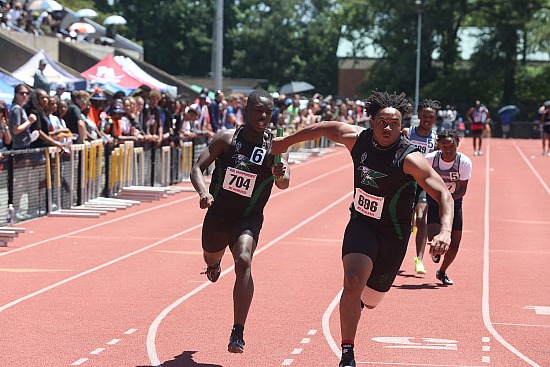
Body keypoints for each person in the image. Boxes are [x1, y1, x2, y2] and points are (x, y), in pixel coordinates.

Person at [271, 91, 453, 367]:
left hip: (394, 235)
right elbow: (327, 128)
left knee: (371, 300)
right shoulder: (359, 140)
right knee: (354, 279)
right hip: (362, 224)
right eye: (382, 122)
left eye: (394, 123)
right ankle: (347, 352)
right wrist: (285, 142)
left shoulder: (410, 158)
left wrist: (445, 231)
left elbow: (444, 194)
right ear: (372, 122)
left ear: (402, 126)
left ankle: (359, 304)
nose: (388, 127)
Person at [190, 88, 290, 354]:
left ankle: (238, 331)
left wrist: (280, 173)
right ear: (246, 111)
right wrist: (203, 192)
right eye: (258, 110)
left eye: (268, 112)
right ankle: (214, 265)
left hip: (248, 217)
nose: (264, 115)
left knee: (244, 260)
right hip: (218, 213)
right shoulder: (226, 139)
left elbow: (285, 182)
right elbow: (197, 169)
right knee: (211, 258)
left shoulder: (276, 145)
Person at [425, 130, 472, 285]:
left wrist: (448, 201)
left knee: (455, 243)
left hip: (454, 201)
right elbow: (423, 180)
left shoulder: (464, 162)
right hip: (433, 200)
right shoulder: (431, 159)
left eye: (451, 146)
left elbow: (463, 189)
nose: (448, 150)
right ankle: (435, 253)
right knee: (433, 238)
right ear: (439, 146)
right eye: (444, 146)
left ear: (457, 144)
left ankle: (442, 271)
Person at [402, 99, 440, 275]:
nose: (427, 119)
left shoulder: (437, 138)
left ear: (435, 118)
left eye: (431, 116)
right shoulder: (407, 132)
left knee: (421, 216)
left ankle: (419, 259)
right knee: (404, 219)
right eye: (424, 115)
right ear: (419, 116)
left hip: (423, 182)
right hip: (404, 180)